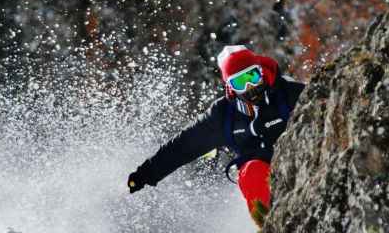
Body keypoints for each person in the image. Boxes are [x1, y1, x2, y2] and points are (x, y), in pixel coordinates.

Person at [127, 44, 305, 222]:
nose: (250, 86)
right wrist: (144, 175)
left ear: (261, 71)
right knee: (251, 172)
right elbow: (184, 146)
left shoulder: (290, 93)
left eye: (253, 75)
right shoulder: (224, 115)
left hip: (300, 162)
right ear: (230, 87)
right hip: (260, 175)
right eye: (240, 82)